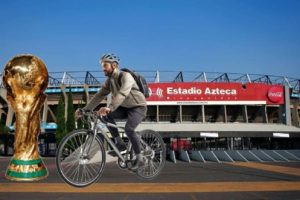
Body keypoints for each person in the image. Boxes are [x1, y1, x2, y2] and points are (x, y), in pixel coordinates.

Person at [75, 53, 147, 171]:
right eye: (102, 66)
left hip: (138, 107)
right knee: (103, 115)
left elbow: (123, 93)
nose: (103, 69)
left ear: (114, 65)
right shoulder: (110, 81)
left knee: (129, 129)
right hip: (124, 107)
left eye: (105, 65)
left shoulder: (126, 76)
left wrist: (110, 107)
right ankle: (119, 142)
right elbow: (99, 95)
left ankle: (140, 158)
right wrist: (85, 109)